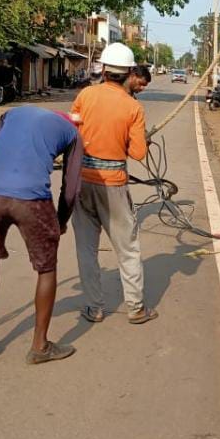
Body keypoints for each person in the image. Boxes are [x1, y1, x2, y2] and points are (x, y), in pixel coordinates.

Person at [0, 105, 84, 364]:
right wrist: (61, 221)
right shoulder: (73, 134)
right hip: (31, 201)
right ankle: (40, 346)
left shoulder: (13, 113)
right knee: (46, 268)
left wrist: (3, 173)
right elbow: (72, 188)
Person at [70, 43, 157, 325]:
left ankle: (94, 307)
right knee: (127, 249)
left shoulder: (85, 95)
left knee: (86, 249)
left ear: (104, 69)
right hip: (114, 186)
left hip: (82, 181)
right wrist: (142, 137)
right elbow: (138, 153)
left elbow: (71, 133)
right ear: (130, 73)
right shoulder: (133, 107)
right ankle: (136, 308)